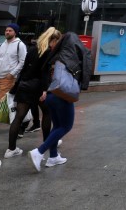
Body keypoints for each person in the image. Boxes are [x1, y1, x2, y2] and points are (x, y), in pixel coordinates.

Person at [29, 31, 92, 171]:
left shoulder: (53, 56)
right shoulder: (70, 56)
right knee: (66, 126)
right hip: (62, 95)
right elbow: (86, 62)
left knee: (57, 126)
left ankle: (53, 157)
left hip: (51, 96)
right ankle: (39, 152)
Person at [4, 28, 61, 158]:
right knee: (47, 113)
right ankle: (47, 143)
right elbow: (44, 73)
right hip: (38, 86)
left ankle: (11, 149)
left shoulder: (32, 49)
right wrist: (45, 89)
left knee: (19, 117)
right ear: (52, 39)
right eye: (56, 41)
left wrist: (17, 86)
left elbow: (24, 69)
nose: (56, 44)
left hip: (24, 85)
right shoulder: (47, 52)